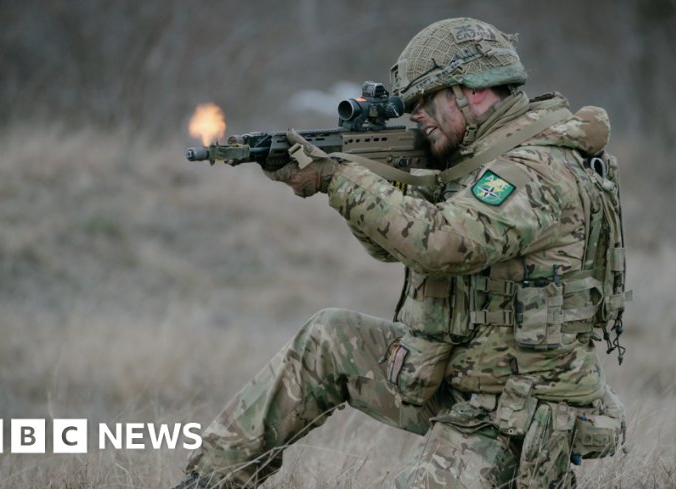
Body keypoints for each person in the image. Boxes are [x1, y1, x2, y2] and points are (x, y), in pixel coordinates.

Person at [173, 17, 628, 489]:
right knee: (328, 338)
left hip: (516, 416)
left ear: (471, 92)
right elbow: (392, 248)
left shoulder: (532, 168)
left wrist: (340, 178)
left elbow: (441, 245)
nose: (415, 115)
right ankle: (207, 480)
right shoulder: (479, 157)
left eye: (424, 101)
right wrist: (350, 182)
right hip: (460, 377)